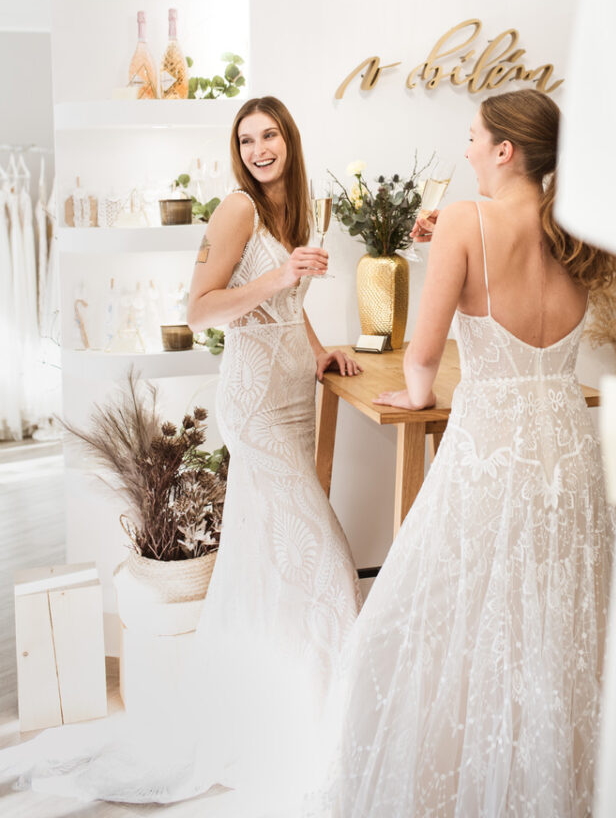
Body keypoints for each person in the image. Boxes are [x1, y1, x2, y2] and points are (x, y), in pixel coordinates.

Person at [1, 96, 362, 811]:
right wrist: (280, 276)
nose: (260, 149)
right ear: (239, 150)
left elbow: (291, 307)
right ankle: (332, 714)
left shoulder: (303, 207)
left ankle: (282, 702)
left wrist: (322, 352)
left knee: (268, 555)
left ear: (289, 138)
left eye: (269, 136)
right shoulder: (236, 208)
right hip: (256, 400)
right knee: (318, 551)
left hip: (296, 391)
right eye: (247, 139)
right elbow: (200, 308)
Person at [319, 88, 616, 818]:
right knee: (559, 625)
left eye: (474, 137)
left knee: (442, 615)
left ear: (506, 150)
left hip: (492, 452)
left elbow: (422, 354)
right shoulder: (577, 226)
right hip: (570, 454)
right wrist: (445, 239)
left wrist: (417, 393)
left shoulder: (464, 221)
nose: (466, 150)